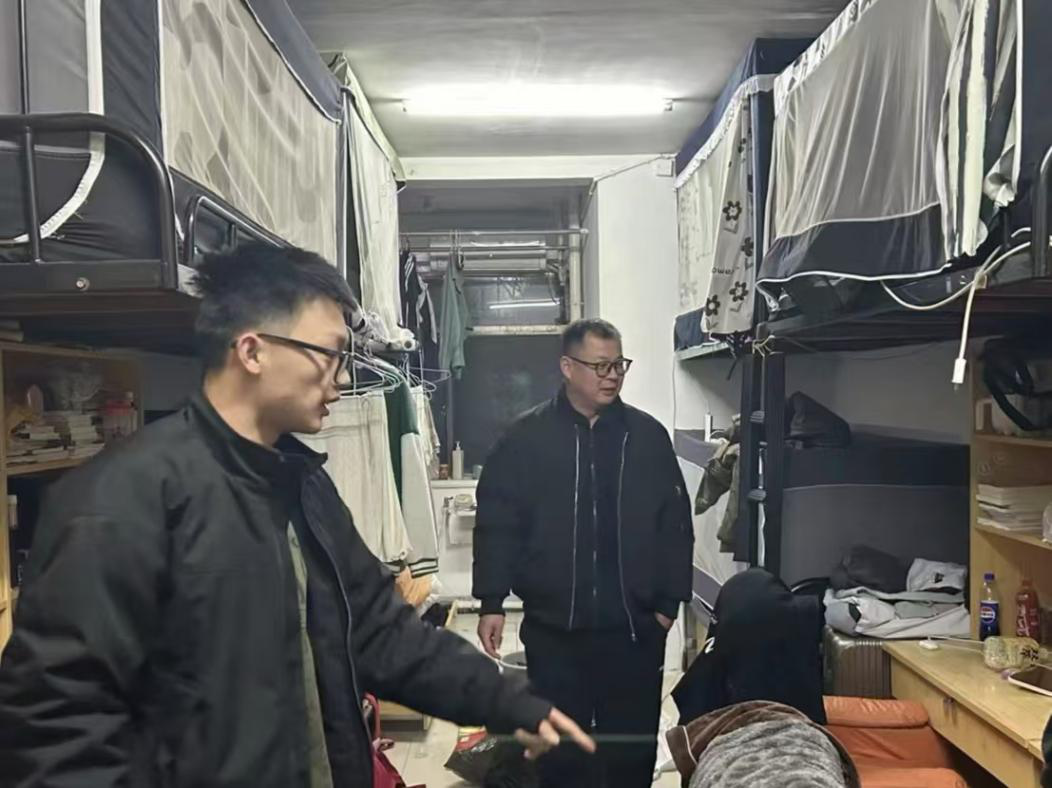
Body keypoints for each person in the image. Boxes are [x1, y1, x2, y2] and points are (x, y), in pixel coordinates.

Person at [0, 243, 593, 787]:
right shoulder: (119, 502)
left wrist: (508, 702)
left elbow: (382, 634)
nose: (342, 377)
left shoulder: (301, 484)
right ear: (253, 351)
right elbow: (58, 734)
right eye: (329, 355)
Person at [473, 318, 693, 788]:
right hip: (554, 632)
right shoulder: (525, 439)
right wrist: (491, 600)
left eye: (619, 365)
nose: (612, 376)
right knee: (560, 754)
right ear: (567, 367)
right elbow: (497, 525)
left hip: (634, 631)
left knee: (630, 751)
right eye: (600, 366)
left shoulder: (646, 438)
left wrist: (667, 607)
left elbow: (675, 526)